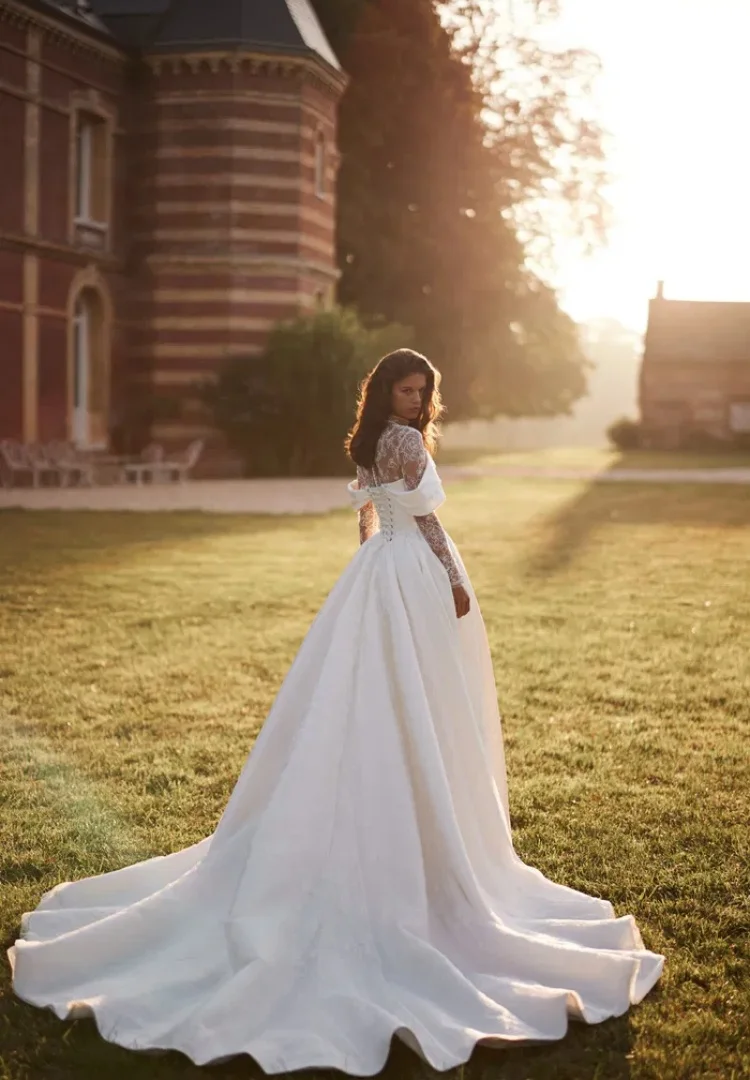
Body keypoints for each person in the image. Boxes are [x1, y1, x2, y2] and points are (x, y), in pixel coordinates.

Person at [8, 349, 664, 1075]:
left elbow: (367, 512)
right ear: (386, 391)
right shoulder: (405, 441)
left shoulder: (371, 438)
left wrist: (371, 558)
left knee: (373, 689)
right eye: (406, 389)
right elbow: (428, 522)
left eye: (422, 391)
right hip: (413, 569)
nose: (415, 400)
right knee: (417, 691)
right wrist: (452, 577)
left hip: (378, 570)